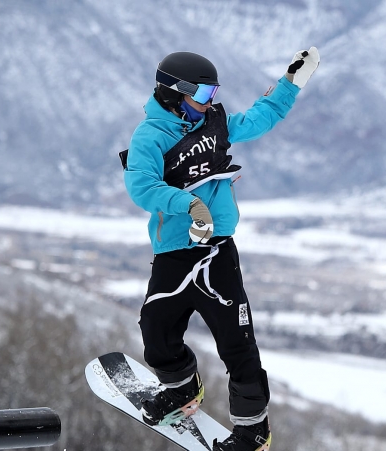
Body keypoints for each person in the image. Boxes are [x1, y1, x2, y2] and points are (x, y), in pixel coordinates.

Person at [121, 47, 320, 451]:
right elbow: (141, 185)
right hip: (174, 253)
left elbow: (259, 119)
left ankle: (253, 432)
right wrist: (187, 203)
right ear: (173, 93)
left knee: (237, 343)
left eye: (214, 94)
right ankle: (181, 390)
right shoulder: (150, 136)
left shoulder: (214, 124)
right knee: (156, 333)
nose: (210, 102)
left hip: (217, 253)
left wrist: (290, 85)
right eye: (203, 94)